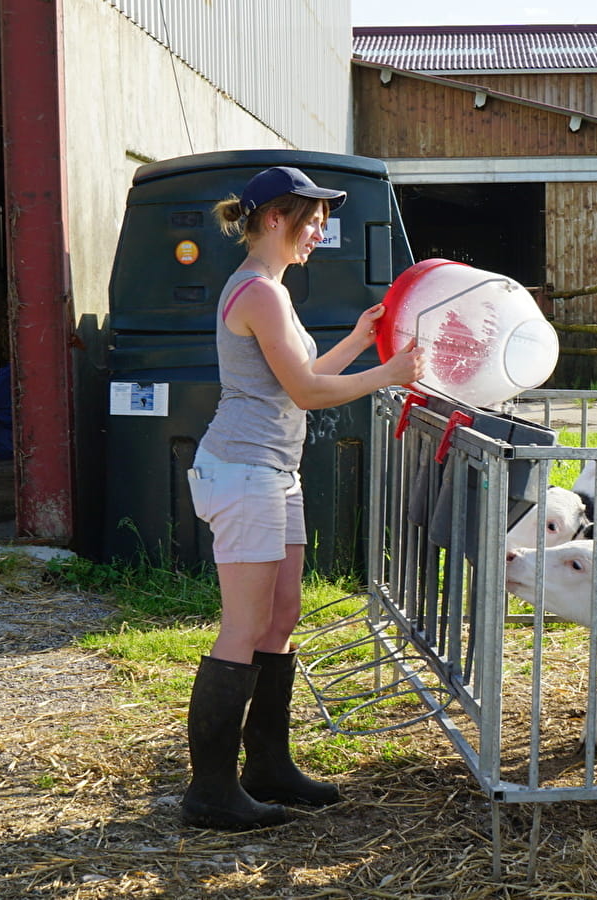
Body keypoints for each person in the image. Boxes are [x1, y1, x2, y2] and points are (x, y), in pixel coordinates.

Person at [182, 166, 422, 830]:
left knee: (282, 617)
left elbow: (305, 373)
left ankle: (267, 767)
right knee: (244, 627)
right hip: (243, 471)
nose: (320, 230)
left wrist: (358, 339)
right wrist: (390, 372)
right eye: (310, 218)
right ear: (273, 219)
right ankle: (209, 793)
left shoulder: (272, 293)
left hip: (272, 472)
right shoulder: (258, 293)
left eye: (321, 218)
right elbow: (309, 394)